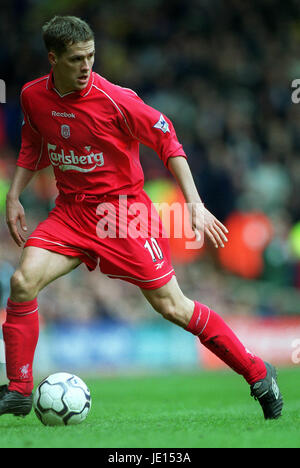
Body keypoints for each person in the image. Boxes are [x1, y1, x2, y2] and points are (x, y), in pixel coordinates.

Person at [2, 15, 283, 420]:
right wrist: (14, 195)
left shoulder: (117, 99)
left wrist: (194, 202)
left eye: (92, 57)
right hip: (72, 212)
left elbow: (168, 140)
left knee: (172, 306)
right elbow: (32, 146)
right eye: (77, 59)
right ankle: (19, 389)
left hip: (123, 214)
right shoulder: (32, 96)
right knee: (22, 282)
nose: (86, 67)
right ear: (53, 59)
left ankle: (259, 373)